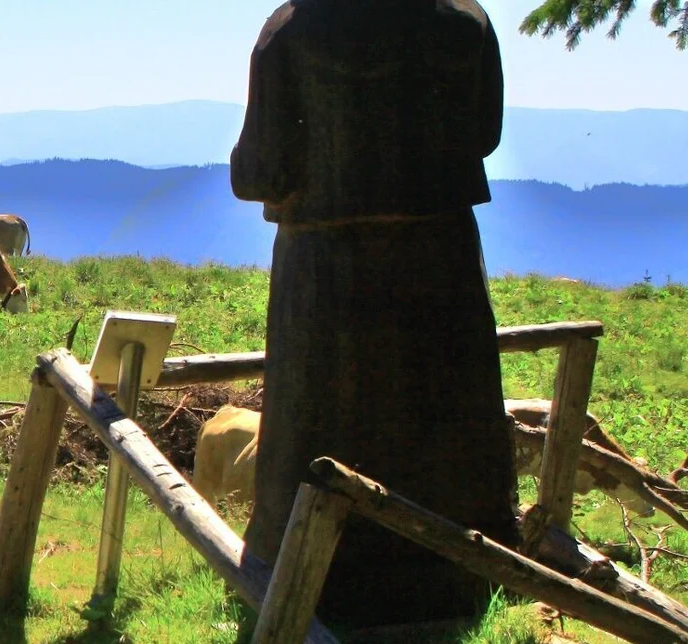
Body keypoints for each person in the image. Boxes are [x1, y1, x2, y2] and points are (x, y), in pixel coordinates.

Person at [228, 0, 514, 633]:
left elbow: (265, 166)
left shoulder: (292, 28)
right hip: (444, 264)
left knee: (318, 427)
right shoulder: (465, 21)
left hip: (326, 273)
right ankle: (472, 573)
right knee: (449, 421)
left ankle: (305, 577)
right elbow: (484, 134)